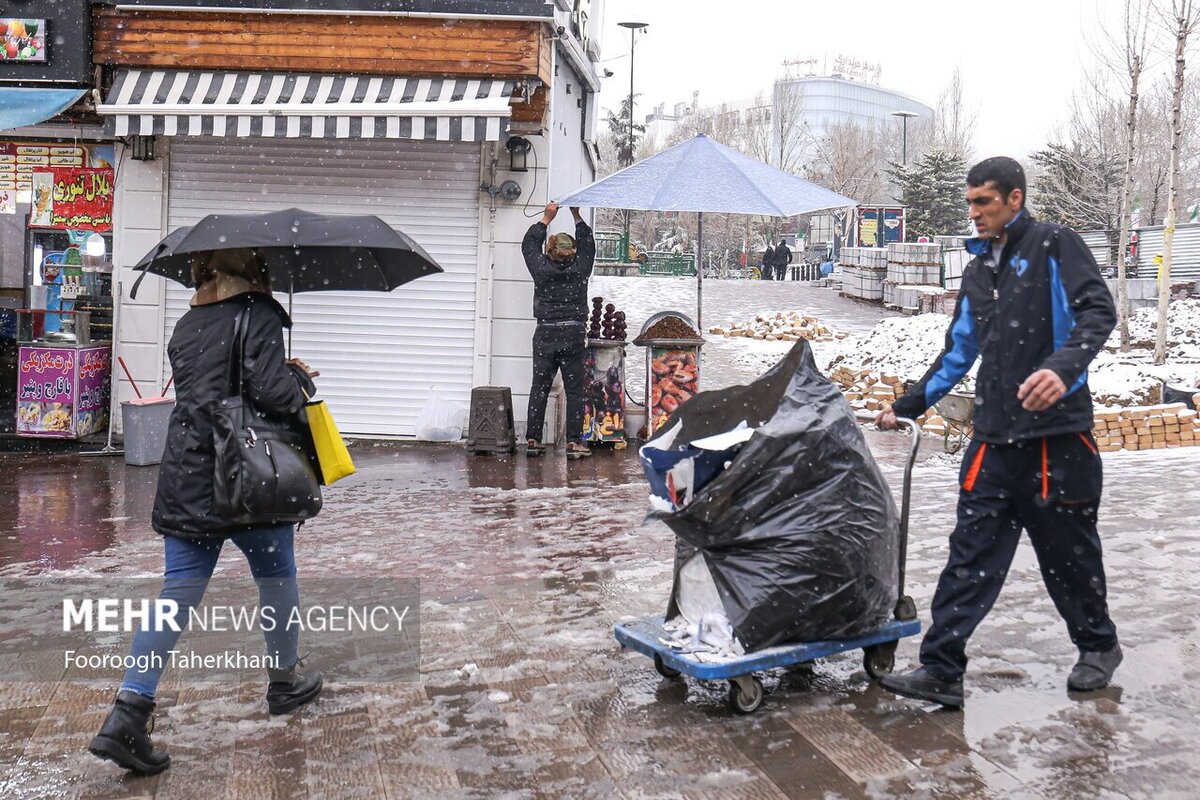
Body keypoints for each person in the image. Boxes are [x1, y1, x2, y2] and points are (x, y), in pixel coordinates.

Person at [876, 156, 1121, 708]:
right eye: (969, 203)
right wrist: (910, 404)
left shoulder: (1056, 245)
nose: (974, 213)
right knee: (968, 559)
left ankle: (1098, 647)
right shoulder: (978, 269)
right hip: (993, 441)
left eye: (983, 201)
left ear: (1015, 198)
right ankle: (941, 669)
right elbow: (959, 349)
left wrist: (1061, 370)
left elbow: (1097, 312)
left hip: (1057, 442)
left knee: (1071, 559)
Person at [89, 249, 323, 775]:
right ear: (254, 270)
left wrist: (267, 367)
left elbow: (215, 388)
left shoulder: (188, 323)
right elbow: (270, 395)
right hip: (245, 479)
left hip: (188, 474)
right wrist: (298, 378)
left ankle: (128, 713)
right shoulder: (258, 314)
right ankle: (284, 681)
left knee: (177, 591)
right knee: (277, 575)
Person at [522, 202, 595, 459]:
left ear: (550, 252)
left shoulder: (541, 269)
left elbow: (528, 245)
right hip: (573, 334)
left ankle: (532, 439)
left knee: (539, 386)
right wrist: (577, 216)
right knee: (575, 389)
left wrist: (546, 218)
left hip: (545, 334)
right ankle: (574, 443)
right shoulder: (580, 269)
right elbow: (589, 246)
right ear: (572, 253)